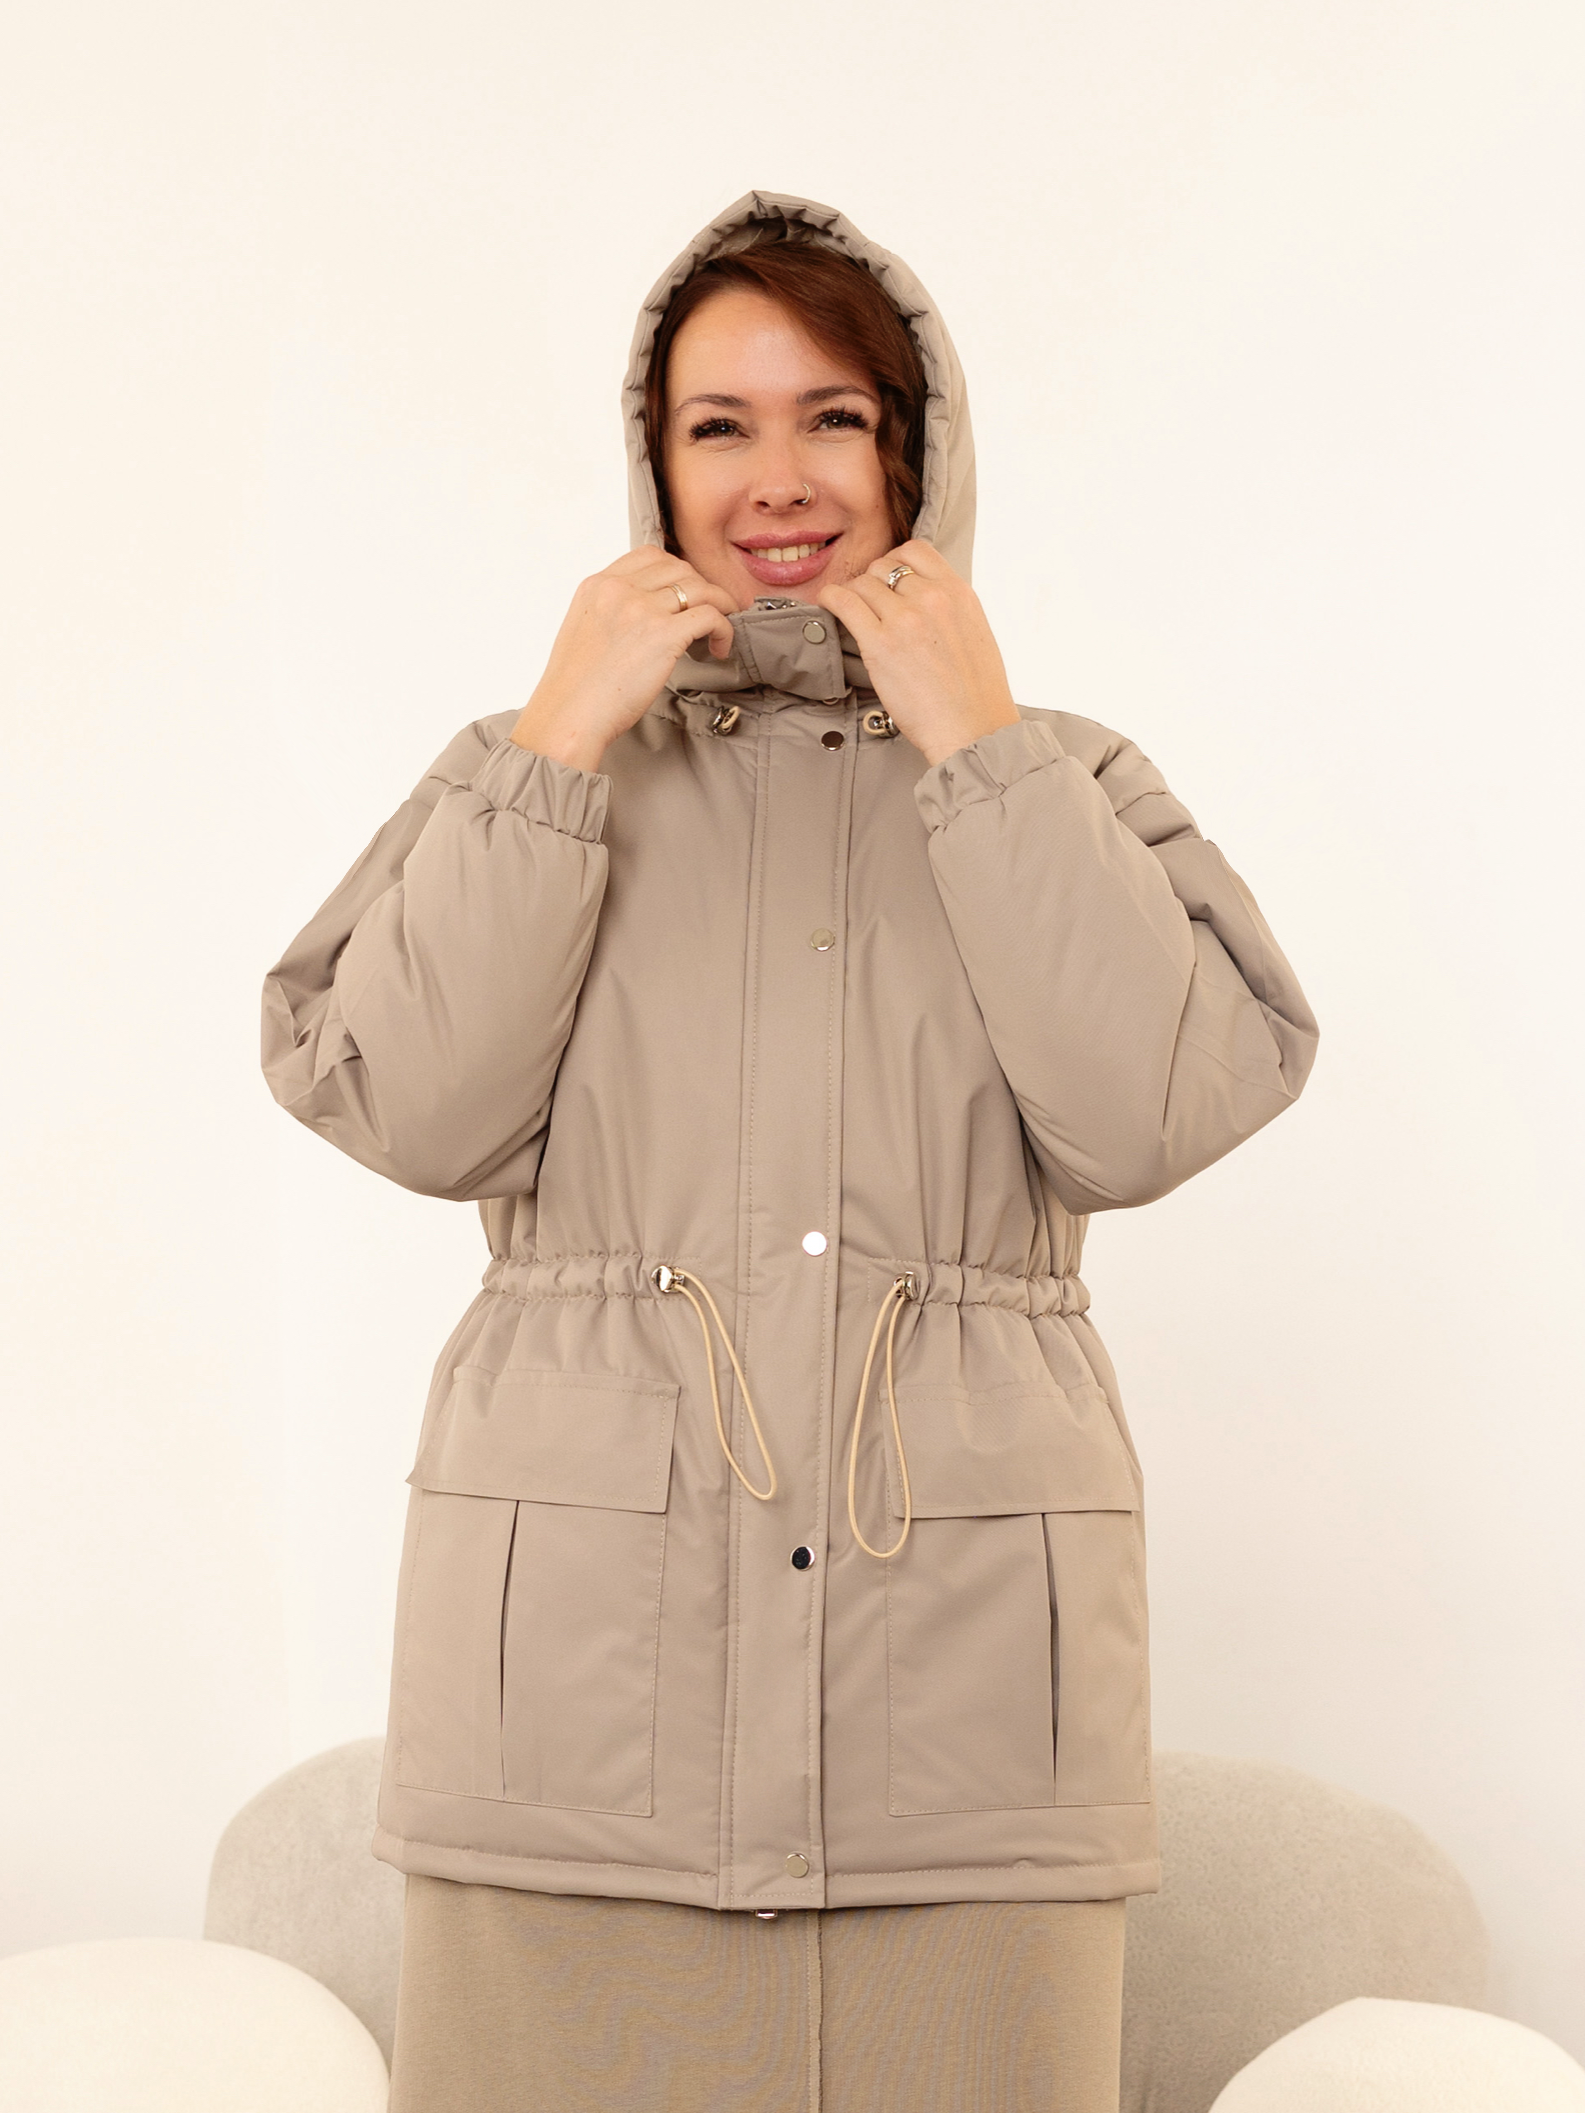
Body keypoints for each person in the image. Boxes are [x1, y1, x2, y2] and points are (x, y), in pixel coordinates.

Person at [261, 190, 1319, 2113]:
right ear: (652, 465)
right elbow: (412, 1110)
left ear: (915, 451)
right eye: (718, 425)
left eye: (835, 415)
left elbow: (1151, 1114)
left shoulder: (1064, 775)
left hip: (967, 1725)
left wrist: (979, 748)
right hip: (578, 1716)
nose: (780, 478)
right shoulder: (533, 768)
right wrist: (557, 743)